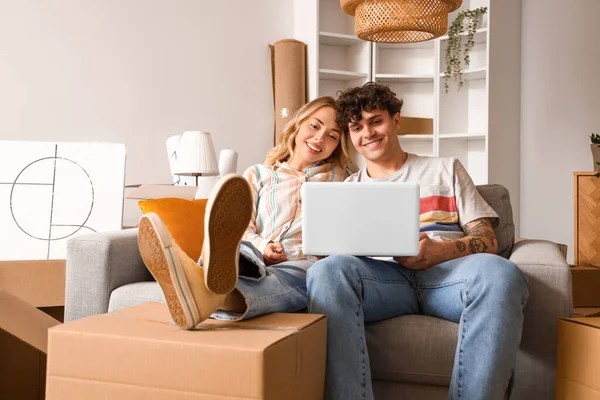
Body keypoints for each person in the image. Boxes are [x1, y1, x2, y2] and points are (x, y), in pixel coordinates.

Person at [306, 83, 529, 400]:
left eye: (376, 121)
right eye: (357, 127)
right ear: (349, 135)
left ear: (396, 120)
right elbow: (333, 260)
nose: (367, 133)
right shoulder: (347, 189)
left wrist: (441, 251)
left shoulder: (445, 168)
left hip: (448, 278)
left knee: (502, 274)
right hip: (383, 282)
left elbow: (487, 238)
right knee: (325, 273)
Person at [137, 96, 349, 329]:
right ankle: (204, 272)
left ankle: (194, 287)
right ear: (297, 124)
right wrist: (264, 245)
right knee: (240, 249)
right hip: (253, 255)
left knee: (284, 281)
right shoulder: (258, 175)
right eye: (315, 125)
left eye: (332, 136)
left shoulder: (342, 180)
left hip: (301, 262)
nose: (320, 138)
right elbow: (243, 229)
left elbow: (346, 233)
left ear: (338, 145)